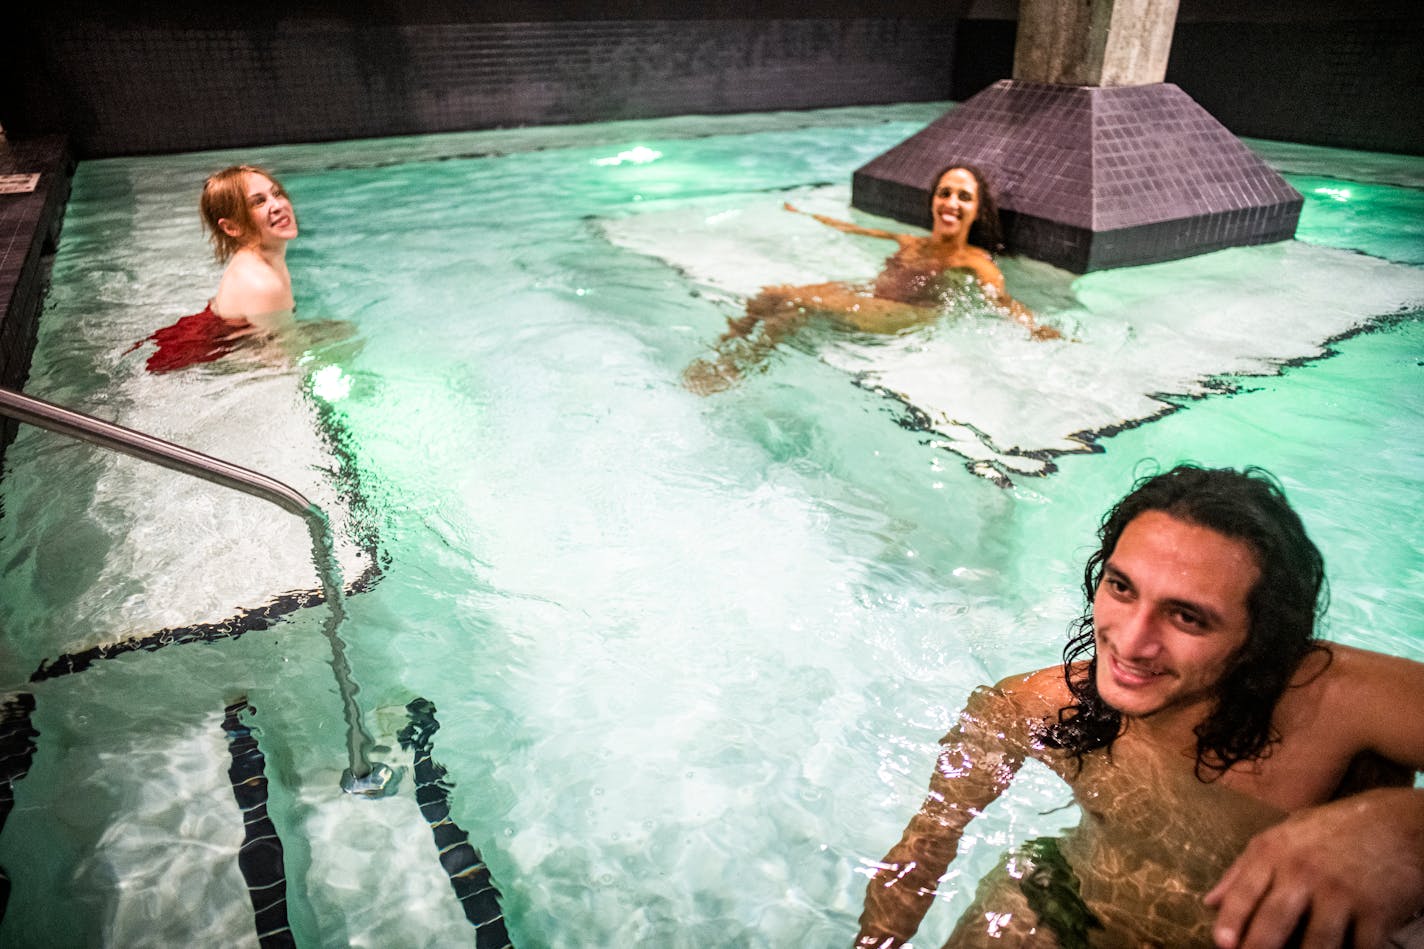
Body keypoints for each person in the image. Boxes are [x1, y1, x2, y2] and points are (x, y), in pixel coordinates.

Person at [855, 465, 1424, 948]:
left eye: (1187, 616)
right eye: (1122, 588)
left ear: (1262, 637)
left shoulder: (1337, 700)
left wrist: (1397, 828)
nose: (1130, 642)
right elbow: (922, 850)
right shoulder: (1034, 706)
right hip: (1066, 911)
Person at [683, 164, 1061, 395]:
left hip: (907, 318)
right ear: (932, 200)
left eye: (964, 197)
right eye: (945, 193)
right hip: (871, 301)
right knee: (771, 298)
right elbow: (852, 228)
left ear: (976, 212)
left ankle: (736, 370)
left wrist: (1035, 327)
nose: (951, 203)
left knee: (797, 304)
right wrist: (805, 214)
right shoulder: (909, 241)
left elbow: (1001, 299)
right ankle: (721, 352)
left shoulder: (975, 262)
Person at [130, 164, 299, 372]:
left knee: (337, 331)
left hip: (206, 333)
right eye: (258, 202)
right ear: (231, 227)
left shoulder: (260, 258)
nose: (277, 205)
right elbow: (279, 365)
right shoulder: (263, 284)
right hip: (182, 364)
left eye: (276, 193)